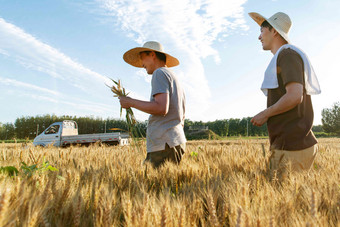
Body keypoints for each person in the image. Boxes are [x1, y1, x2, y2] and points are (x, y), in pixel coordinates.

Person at [248, 12, 321, 178]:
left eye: (262, 31)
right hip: (291, 145)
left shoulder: (287, 55)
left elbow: (295, 96)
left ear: (274, 31)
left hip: (291, 148)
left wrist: (265, 114)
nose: (259, 37)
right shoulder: (285, 56)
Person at [119, 41, 186, 168]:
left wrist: (130, 102)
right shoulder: (174, 77)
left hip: (163, 144)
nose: (141, 63)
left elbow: (161, 108)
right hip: (175, 140)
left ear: (152, 54)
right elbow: (181, 116)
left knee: (151, 184)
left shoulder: (159, 73)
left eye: (142, 57)